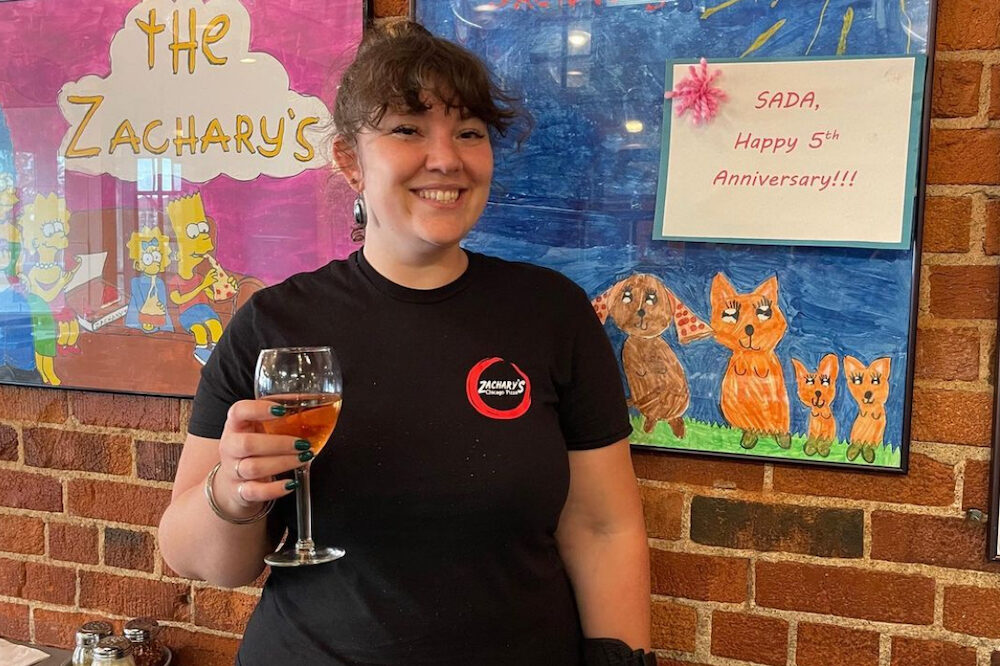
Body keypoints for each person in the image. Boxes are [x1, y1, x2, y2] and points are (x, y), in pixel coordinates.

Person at [158, 19, 653, 666]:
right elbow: (199, 559)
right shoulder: (274, 326)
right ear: (348, 161)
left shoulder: (551, 312)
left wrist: (625, 662)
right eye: (407, 130)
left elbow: (603, 528)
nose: (446, 158)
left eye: (469, 133)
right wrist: (232, 494)